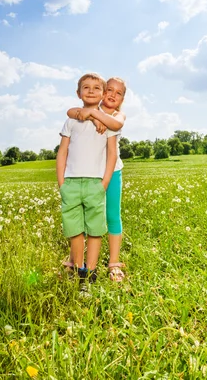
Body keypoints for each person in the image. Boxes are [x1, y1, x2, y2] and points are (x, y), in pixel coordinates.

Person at [56, 73, 118, 287]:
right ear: (78, 93)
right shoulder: (71, 120)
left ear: (102, 94)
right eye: (86, 87)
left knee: (95, 230)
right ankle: (77, 268)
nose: (91, 91)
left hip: (95, 183)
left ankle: (89, 274)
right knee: (74, 230)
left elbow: (112, 154)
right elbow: (62, 151)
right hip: (71, 183)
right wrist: (61, 182)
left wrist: (105, 183)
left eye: (96, 88)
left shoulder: (107, 121)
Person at [67, 77, 126, 282]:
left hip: (113, 172)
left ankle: (114, 263)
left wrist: (94, 114)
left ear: (122, 99)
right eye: (109, 90)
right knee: (84, 216)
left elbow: (114, 123)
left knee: (111, 216)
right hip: (90, 173)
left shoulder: (117, 115)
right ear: (102, 93)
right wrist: (92, 116)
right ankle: (74, 258)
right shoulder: (93, 109)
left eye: (118, 93)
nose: (112, 95)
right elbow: (71, 112)